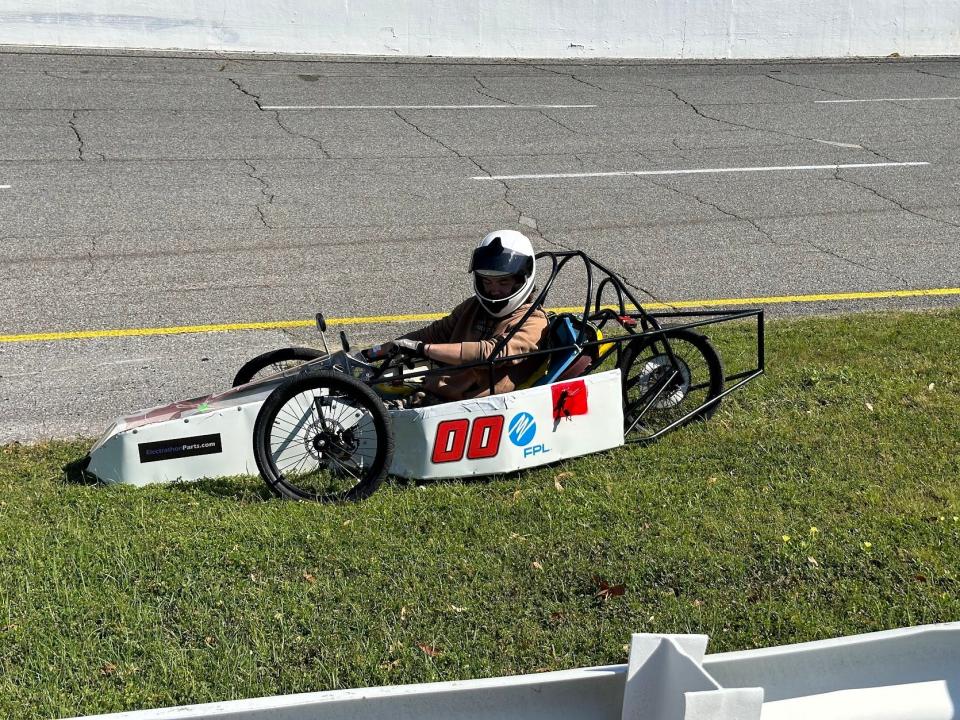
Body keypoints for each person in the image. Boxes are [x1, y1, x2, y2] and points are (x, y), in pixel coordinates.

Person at [367, 230, 548, 401]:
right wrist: (372, 353)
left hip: (476, 407)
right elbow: (433, 333)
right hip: (439, 391)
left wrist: (423, 349)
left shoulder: (535, 321)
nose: (494, 290)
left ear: (520, 281)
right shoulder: (473, 307)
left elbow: (492, 353)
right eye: (487, 281)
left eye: (503, 282)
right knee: (372, 385)